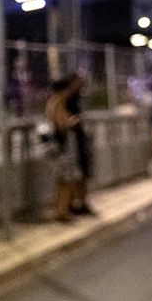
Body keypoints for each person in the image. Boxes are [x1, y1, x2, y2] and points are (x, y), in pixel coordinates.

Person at [44, 79, 83, 223]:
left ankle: (59, 210)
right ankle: (62, 212)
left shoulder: (51, 102)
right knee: (66, 181)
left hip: (54, 148)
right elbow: (62, 123)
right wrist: (74, 121)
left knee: (61, 180)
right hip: (61, 147)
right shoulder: (58, 103)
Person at [63, 72, 95, 216]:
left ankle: (81, 202)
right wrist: (76, 121)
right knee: (73, 174)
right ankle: (71, 203)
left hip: (80, 140)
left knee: (83, 173)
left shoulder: (78, 97)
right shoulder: (66, 99)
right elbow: (65, 120)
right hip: (71, 142)